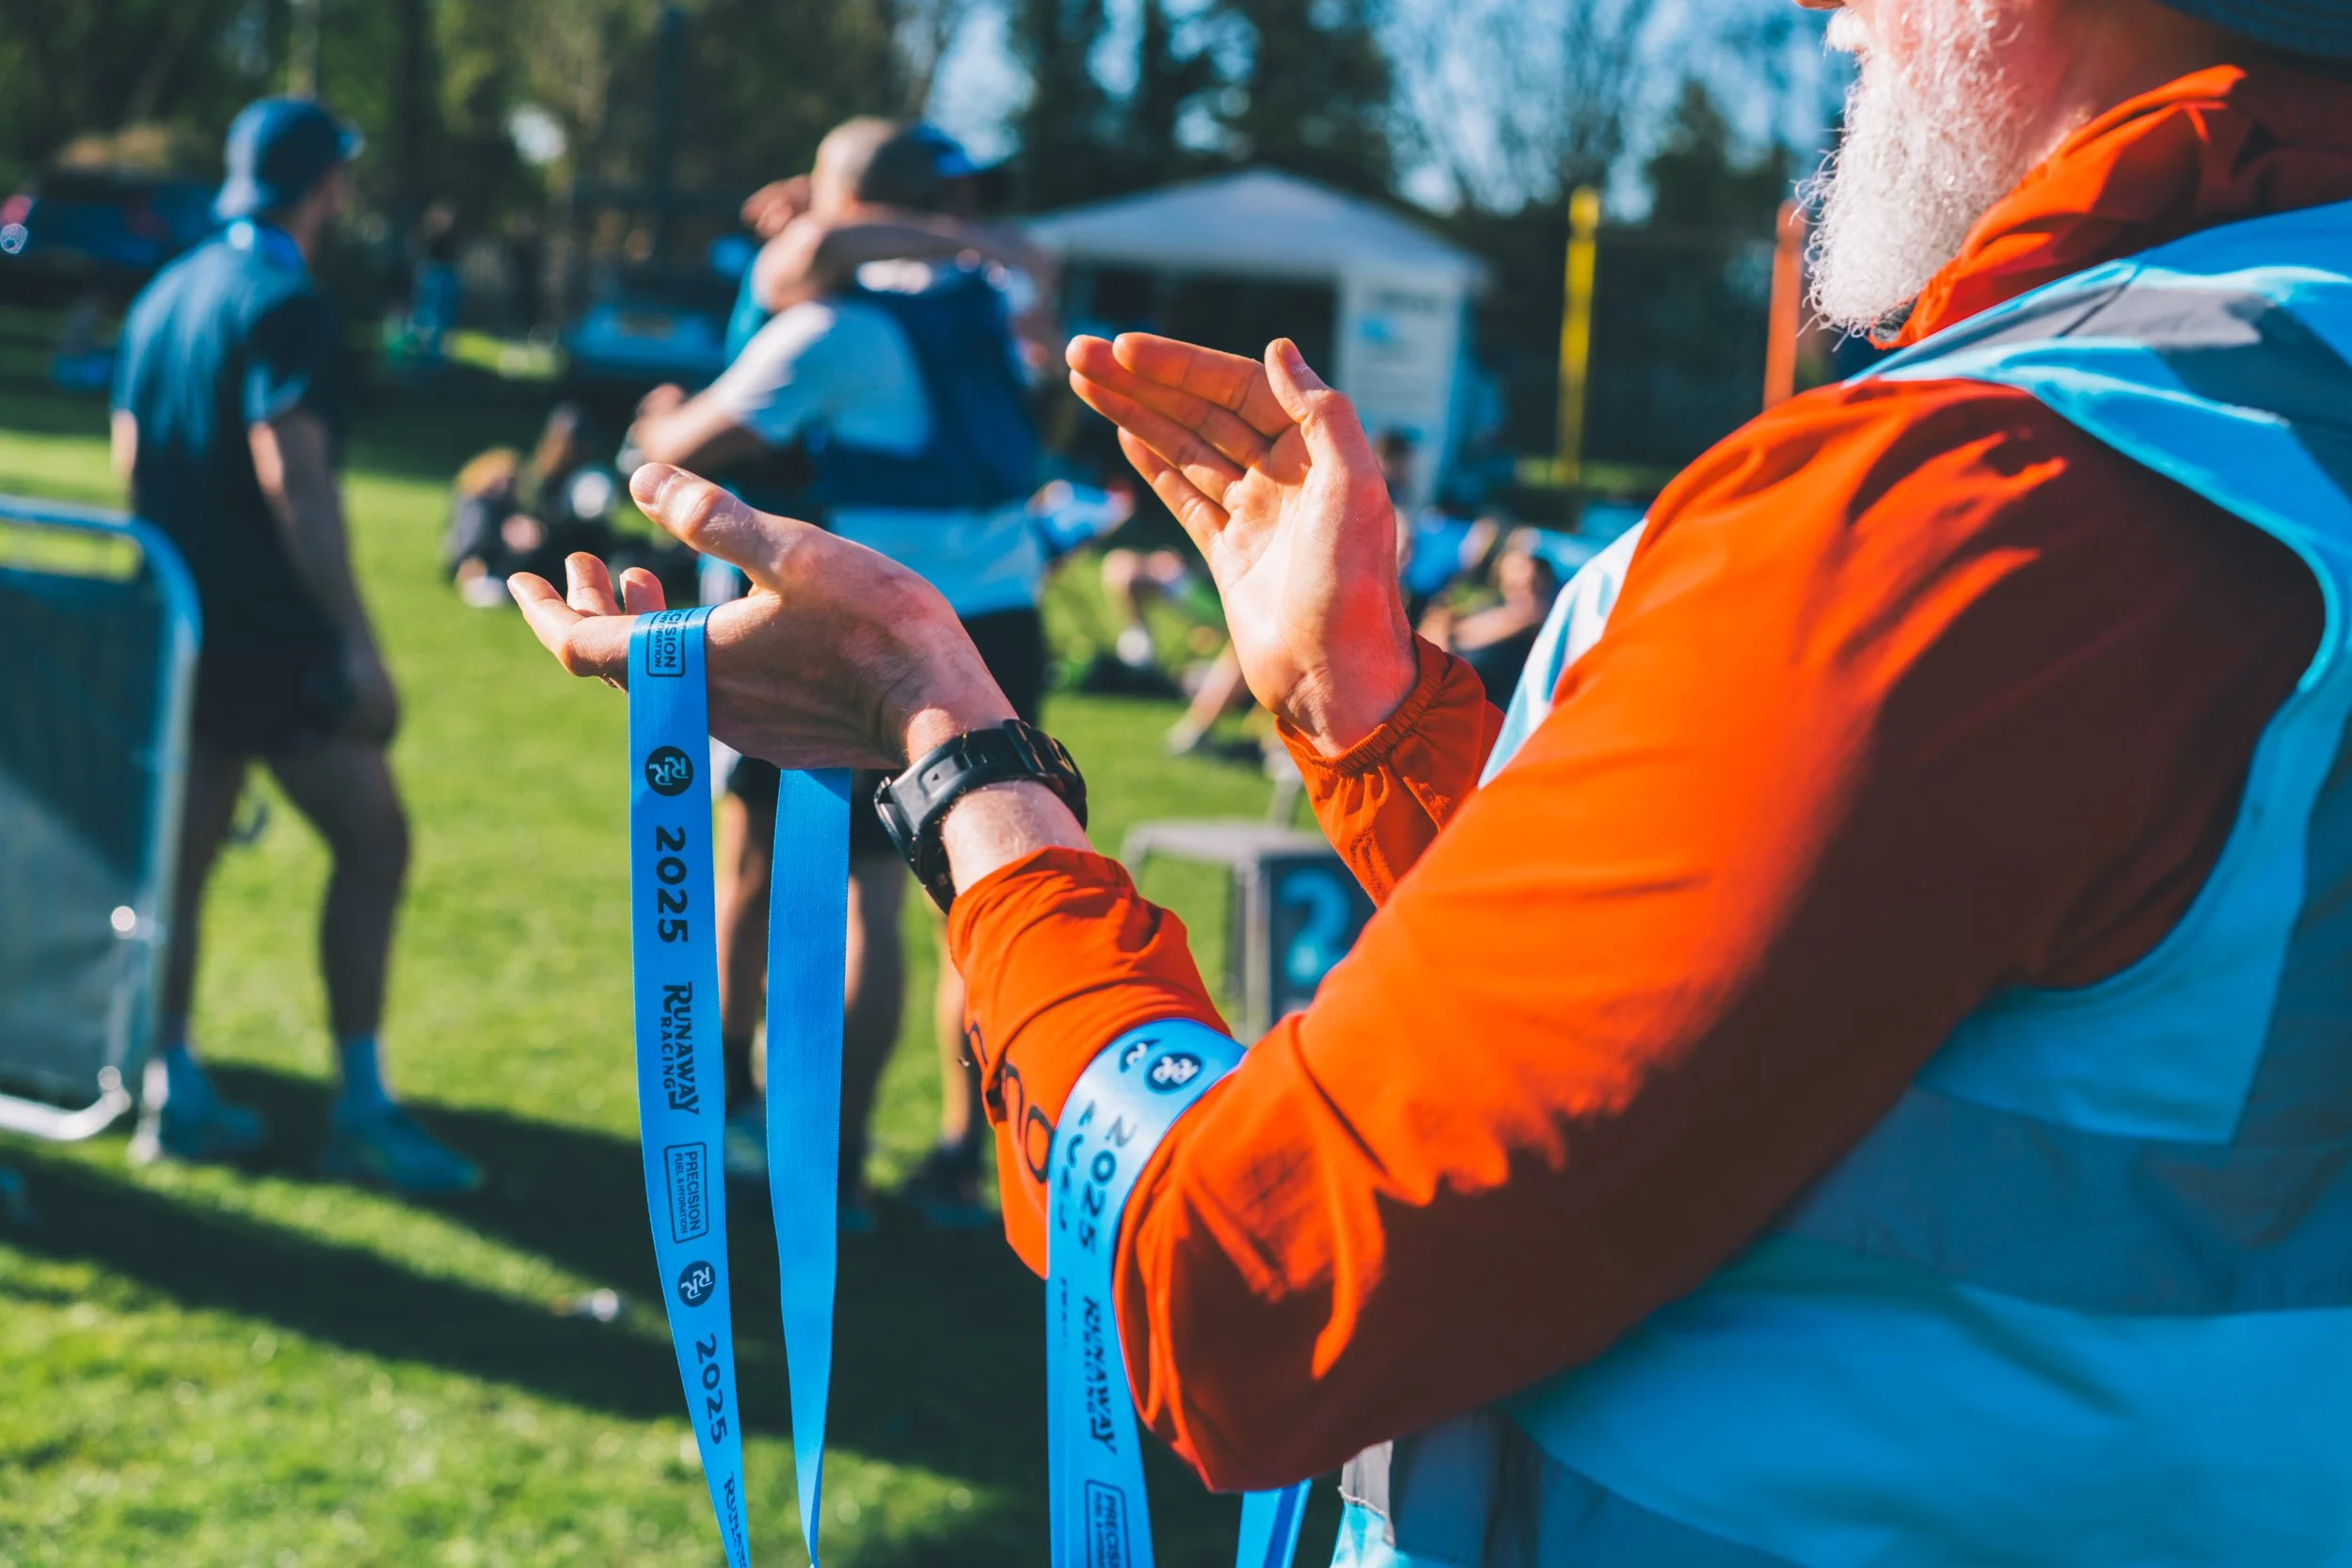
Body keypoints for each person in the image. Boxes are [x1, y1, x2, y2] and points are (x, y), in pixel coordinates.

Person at [516, 2, 2352, 1560]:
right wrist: (1367, 707)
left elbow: (1240, 1280)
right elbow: (1727, 1038)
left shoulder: (1985, 504)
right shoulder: (2263, 408)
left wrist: (944, 739)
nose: (1836, 24)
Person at [627, 119, 1045, 1224]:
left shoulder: (834, 325)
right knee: (979, 889)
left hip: (855, 630)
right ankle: (960, 1154)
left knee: (789, 877)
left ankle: (781, 1147)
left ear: (832, 202)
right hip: (998, 620)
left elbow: (685, 448)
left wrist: (658, 420)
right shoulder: (987, 301)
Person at [113, 99, 478, 1195]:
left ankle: (171, 1078)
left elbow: (131, 456)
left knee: (177, 869)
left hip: (180, 625)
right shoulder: (284, 302)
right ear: (327, 187)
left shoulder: (167, 290)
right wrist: (356, 643)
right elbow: (296, 476)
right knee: (376, 840)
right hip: (267, 638)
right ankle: (360, 1104)